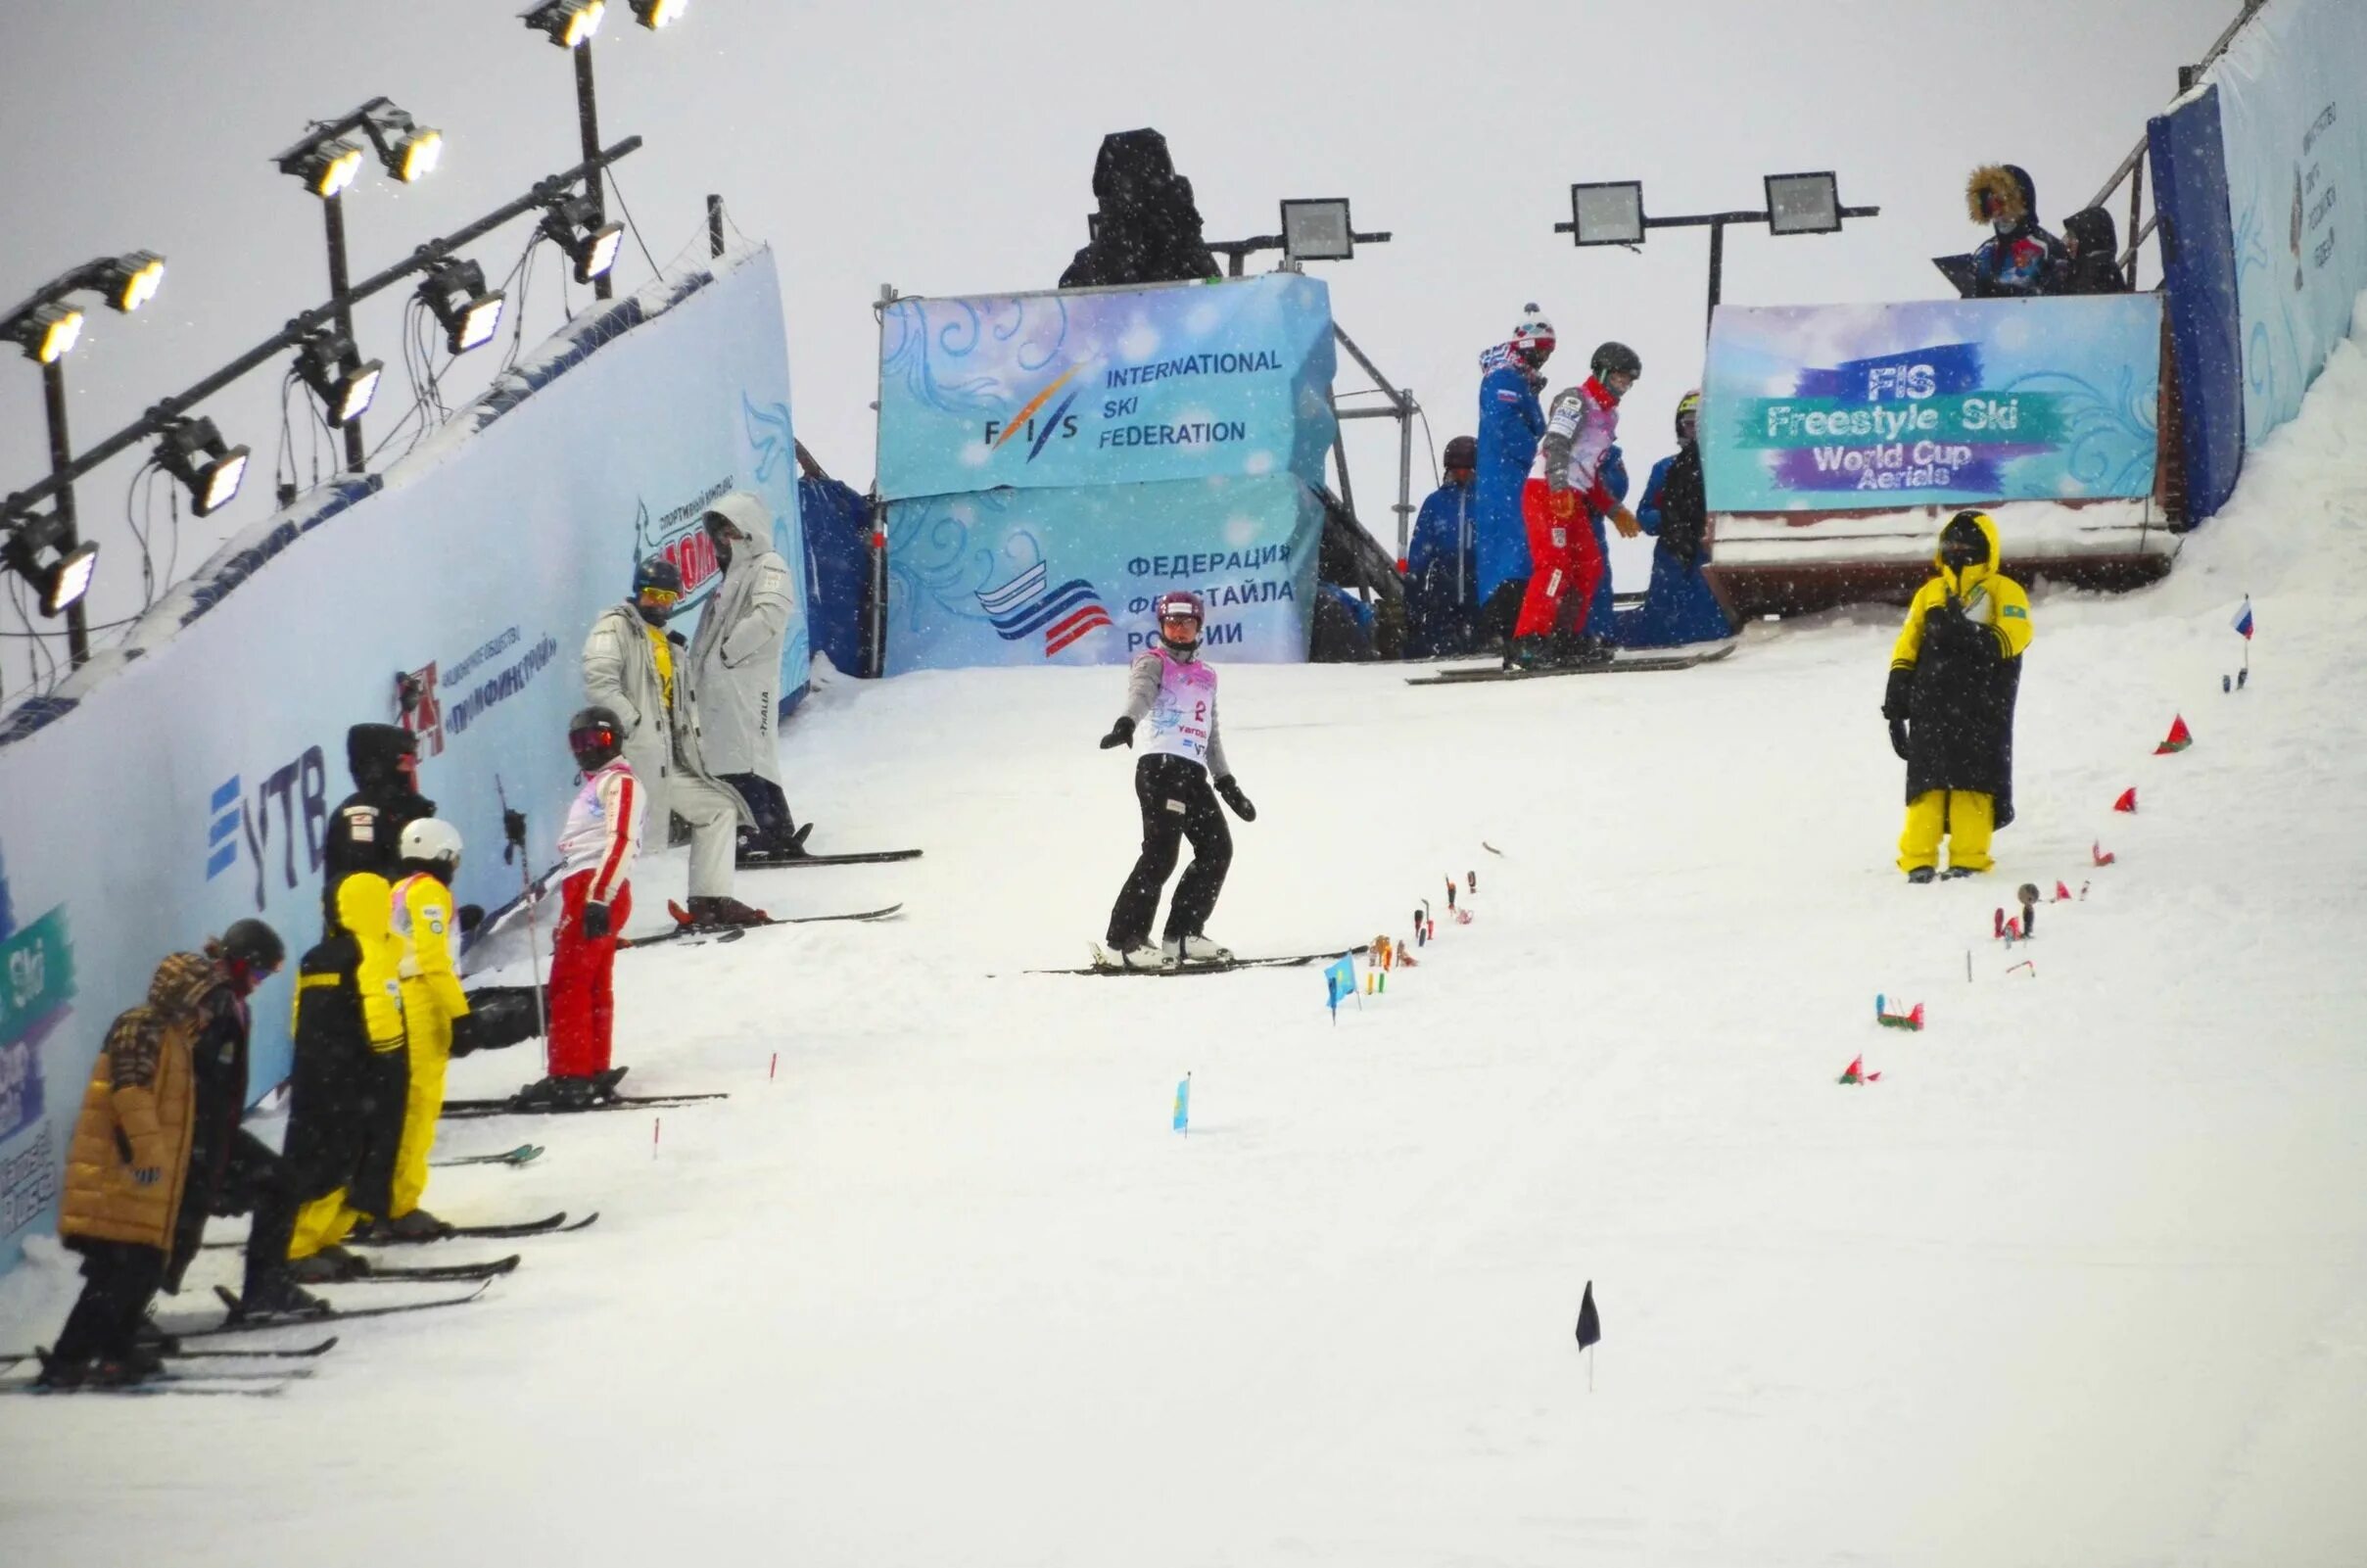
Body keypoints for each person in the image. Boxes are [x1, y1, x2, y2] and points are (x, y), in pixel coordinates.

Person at [42, 925, 284, 1387]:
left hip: (145, 1168)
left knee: (136, 1264)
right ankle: (87, 1355)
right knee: (125, 1267)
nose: (205, 1011)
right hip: (125, 1169)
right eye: (198, 1000)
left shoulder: (174, 1033)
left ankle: (103, 1350)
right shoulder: (143, 1027)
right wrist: (151, 1154)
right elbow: (130, 1094)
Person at [584, 557, 766, 927]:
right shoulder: (615, 627)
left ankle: (710, 900)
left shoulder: (666, 641)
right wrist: (633, 725)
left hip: (667, 760)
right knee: (613, 840)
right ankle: (586, 915)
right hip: (632, 762)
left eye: (668, 596)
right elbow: (599, 682)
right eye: (652, 594)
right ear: (637, 592)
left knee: (718, 809)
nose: (660, 603)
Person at [1096, 592, 1255, 971]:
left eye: (1186, 624)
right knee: (1161, 854)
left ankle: (1183, 935)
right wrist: (1126, 723)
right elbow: (1141, 694)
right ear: (1162, 626)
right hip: (1159, 768)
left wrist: (1227, 782)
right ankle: (1124, 942)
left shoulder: (1207, 675)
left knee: (1217, 848)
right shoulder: (1153, 662)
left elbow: (1210, 733)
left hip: (1191, 772)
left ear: (1198, 626)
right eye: (1171, 623)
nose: (1179, 631)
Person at [1883, 509, 2033, 882]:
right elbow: (1908, 643)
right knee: (1926, 786)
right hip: (1931, 705)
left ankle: (1969, 857)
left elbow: (2015, 636)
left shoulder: (2004, 589)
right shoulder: (1930, 593)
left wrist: (1967, 633)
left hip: (1982, 706)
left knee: (1973, 784)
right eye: (1952, 544)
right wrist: (1897, 695)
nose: (1958, 551)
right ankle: (1917, 859)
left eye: (1967, 545)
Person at [349, 818, 480, 1241]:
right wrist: (461, 1015)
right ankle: (401, 1204)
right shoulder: (429, 891)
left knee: (394, 1108)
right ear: (441, 854)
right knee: (418, 1108)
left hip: (394, 998)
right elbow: (432, 958)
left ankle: (375, 1201)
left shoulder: (395, 889)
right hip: (420, 1002)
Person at [514, 706, 646, 1110]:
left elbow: (621, 839)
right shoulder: (599, 784)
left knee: (568, 981)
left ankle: (570, 1074)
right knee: (591, 980)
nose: (587, 750)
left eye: (597, 740)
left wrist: (598, 896)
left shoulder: (620, 782)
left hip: (596, 885)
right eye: (579, 742)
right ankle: (589, 1066)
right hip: (590, 885)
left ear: (616, 739)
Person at [685, 494, 810, 864]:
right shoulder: (732, 577)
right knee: (740, 757)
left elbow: (769, 616)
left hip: (744, 682)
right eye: (720, 533)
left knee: (746, 758)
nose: (725, 539)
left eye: (732, 530)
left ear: (750, 529)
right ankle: (775, 829)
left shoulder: (768, 565)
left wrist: (727, 655)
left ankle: (760, 829)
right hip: (723, 686)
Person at [1514, 342, 1642, 668]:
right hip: (1547, 491)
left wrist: (1614, 510)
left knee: (1588, 565)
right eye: (1617, 379)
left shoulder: (1609, 416)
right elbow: (1556, 443)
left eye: (1627, 382)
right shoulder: (1576, 399)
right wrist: (1558, 486)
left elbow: (1590, 470)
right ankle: (1528, 641)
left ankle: (1565, 637)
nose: (1622, 387)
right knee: (1554, 564)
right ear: (1601, 372)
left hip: (1575, 496)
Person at [1619, 391, 1737, 649]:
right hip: (1671, 557)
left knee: (1710, 620)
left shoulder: (1725, 468)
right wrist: (1671, 521)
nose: (1695, 430)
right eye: (1690, 423)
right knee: (1661, 624)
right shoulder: (1665, 468)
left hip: (1710, 554)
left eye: (1702, 424)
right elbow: (1645, 515)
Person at [1472, 307, 1555, 646]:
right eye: (1541, 350)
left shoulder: (1517, 380)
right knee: (1514, 555)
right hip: (1506, 484)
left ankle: (1516, 627)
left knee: (1520, 553)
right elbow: (1505, 424)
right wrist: (1539, 454)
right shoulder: (1503, 379)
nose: (1544, 357)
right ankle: (1510, 628)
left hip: (1511, 483)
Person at [1059, 128, 1219, 289]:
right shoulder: (1177, 229)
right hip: (1155, 294)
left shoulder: (1178, 234)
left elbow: (1215, 285)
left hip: (1160, 295)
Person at [1403, 435, 1481, 656]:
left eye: (1468, 469)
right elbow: (1420, 549)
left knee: (1480, 649)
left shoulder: (1487, 500)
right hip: (1443, 587)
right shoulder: (1436, 502)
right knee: (1441, 647)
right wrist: (1414, 591)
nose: (1462, 474)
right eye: (1457, 469)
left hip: (1479, 585)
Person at [1965, 165, 2068, 298]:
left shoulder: (2046, 247)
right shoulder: (1984, 252)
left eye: (2001, 203)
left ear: (2022, 203)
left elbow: (2061, 302)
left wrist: (2013, 294)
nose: (1997, 212)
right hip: (1988, 317)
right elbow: (1966, 308)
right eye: (1989, 205)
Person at [1580, 445, 1633, 652]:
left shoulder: (1608, 453)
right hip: (1566, 521)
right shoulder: (1556, 449)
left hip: (1590, 522)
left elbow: (1619, 486)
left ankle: (1599, 633)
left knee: (1597, 576)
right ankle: (1578, 635)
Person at [2059, 207, 2130, 295]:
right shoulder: (2108, 270)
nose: (2067, 243)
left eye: (2072, 237)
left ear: (2086, 240)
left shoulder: (2091, 273)